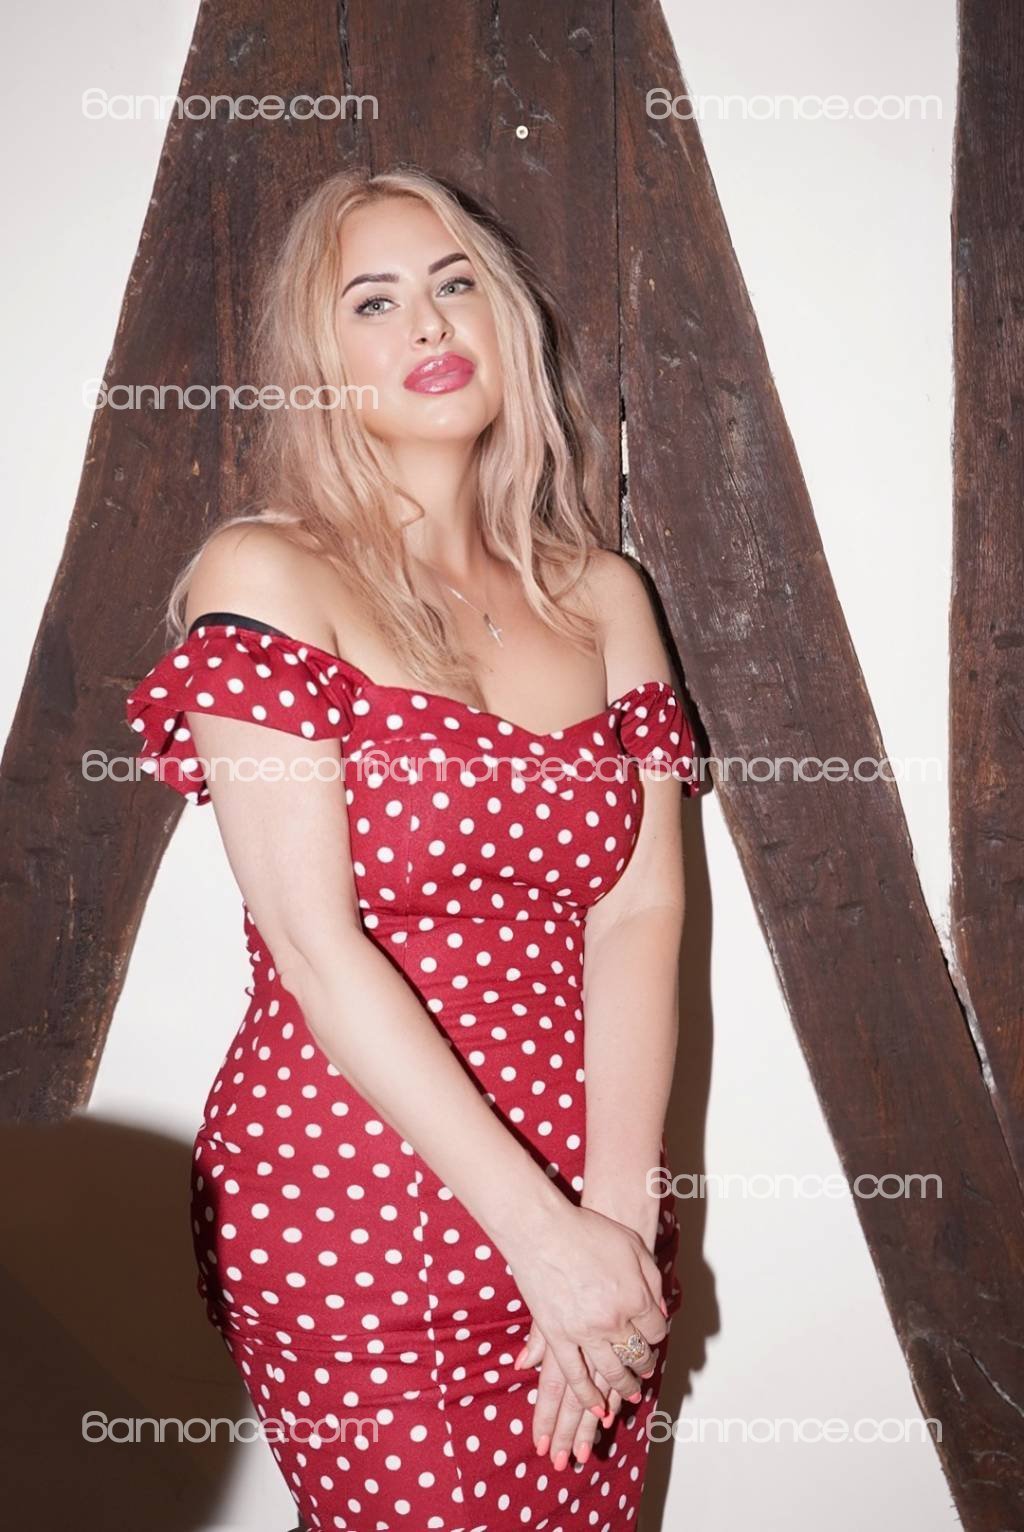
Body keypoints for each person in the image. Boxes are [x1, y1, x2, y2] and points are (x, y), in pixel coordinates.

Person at [125, 165, 699, 1532]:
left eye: (455, 285)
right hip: (361, 1202)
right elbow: (315, 949)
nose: (429, 324)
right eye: (373, 302)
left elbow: (639, 914)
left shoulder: (604, 593)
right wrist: (540, 1235)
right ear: (319, 360)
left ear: (507, 318)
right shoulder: (267, 574)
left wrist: (616, 1226)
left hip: (595, 1189)